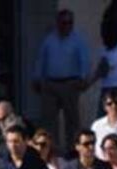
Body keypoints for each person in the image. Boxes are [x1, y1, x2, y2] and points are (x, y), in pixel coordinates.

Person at [32, 9, 90, 153]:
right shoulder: (49, 40)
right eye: (63, 23)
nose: (66, 26)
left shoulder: (78, 40)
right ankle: (51, 150)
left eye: (69, 23)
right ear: (58, 23)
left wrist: (83, 78)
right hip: (50, 84)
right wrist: (37, 78)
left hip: (70, 83)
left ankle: (73, 150)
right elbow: (41, 60)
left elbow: (84, 61)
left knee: (72, 121)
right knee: (49, 121)